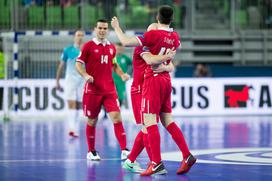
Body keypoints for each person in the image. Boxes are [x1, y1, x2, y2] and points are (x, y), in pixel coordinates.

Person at [111, 5, 196, 176]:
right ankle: (185, 155)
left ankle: (154, 162)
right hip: (162, 82)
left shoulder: (150, 39)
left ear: (157, 19)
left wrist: (117, 28)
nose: (150, 29)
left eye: (153, 26)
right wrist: (165, 62)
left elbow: (143, 55)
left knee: (148, 125)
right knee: (164, 120)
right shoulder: (174, 36)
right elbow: (170, 65)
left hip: (148, 84)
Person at [75, 19, 130, 161]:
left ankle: (124, 149)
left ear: (108, 30)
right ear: (95, 29)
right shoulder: (88, 46)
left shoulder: (111, 47)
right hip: (93, 91)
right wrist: (85, 75)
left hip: (109, 90)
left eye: (105, 28)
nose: (102, 30)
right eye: (100, 28)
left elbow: (115, 65)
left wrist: (122, 74)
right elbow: (78, 65)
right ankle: (91, 151)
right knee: (92, 120)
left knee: (117, 117)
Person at [56, 30, 85, 138]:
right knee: (71, 104)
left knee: (79, 105)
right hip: (70, 80)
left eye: (82, 35)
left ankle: (75, 128)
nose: (80, 37)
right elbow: (61, 65)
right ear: (74, 37)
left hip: (82, 81)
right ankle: (71, 128)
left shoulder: (86, 50)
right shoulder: (68, 50)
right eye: (78, 35)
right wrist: (57, 80)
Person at [112, 43, 132, 107]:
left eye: (120, 49)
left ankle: (118, 109)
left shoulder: (125, 58)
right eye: (117, 49)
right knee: (111, 96)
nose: (119, 50)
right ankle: (106, 113)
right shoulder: (112, 57)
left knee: (120, 96)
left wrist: (129, 73)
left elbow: (133, 64)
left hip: (121, 81)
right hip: (112, 79)